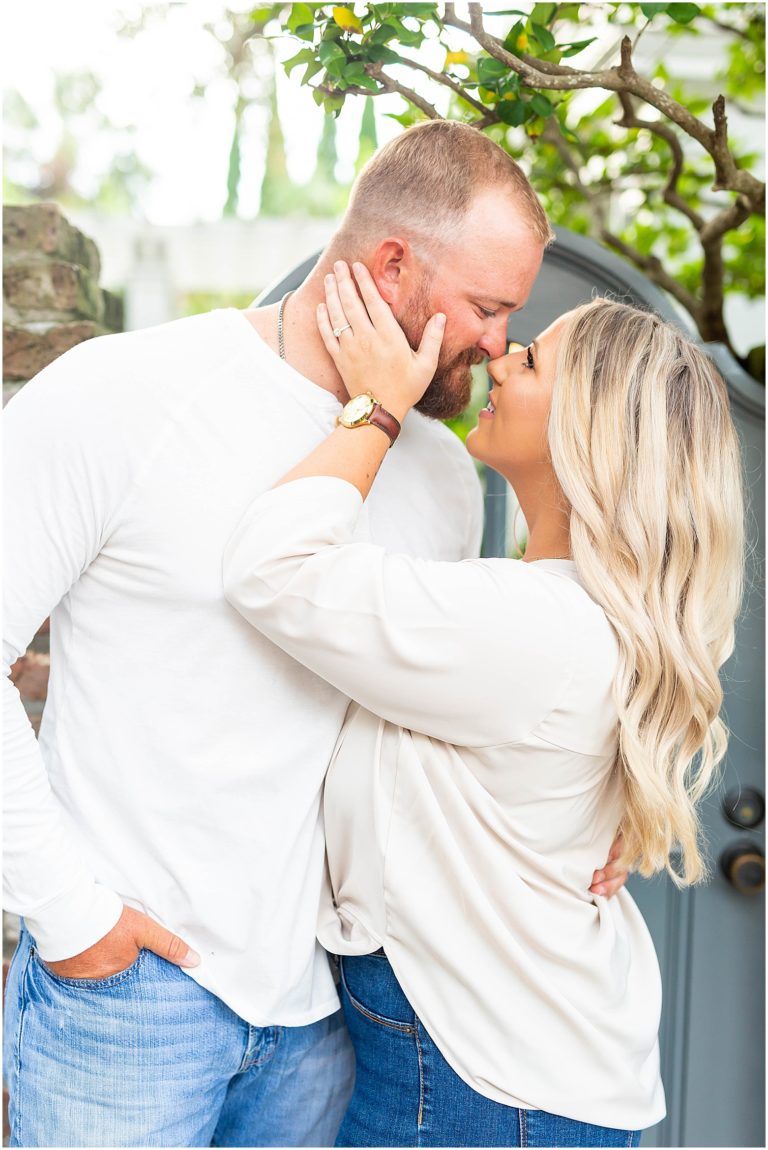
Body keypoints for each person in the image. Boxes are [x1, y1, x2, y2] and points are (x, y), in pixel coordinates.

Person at [3, 121, 627, 1149]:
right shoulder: (121, 396)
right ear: (391, 266)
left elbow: (429, 715)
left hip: (329, 1018)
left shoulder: (435, 471)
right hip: (132, 1001)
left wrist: (585, 818)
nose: (498, 339)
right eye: (487, 305)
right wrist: (71, 918)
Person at [222, 262, 745, 1147]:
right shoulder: (563, 613)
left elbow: (272, 569)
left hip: (483, 1096)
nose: (499, 361)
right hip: (512, 1079)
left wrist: (378, 408)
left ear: (590, 429)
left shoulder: (534, 625)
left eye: (532, 358)